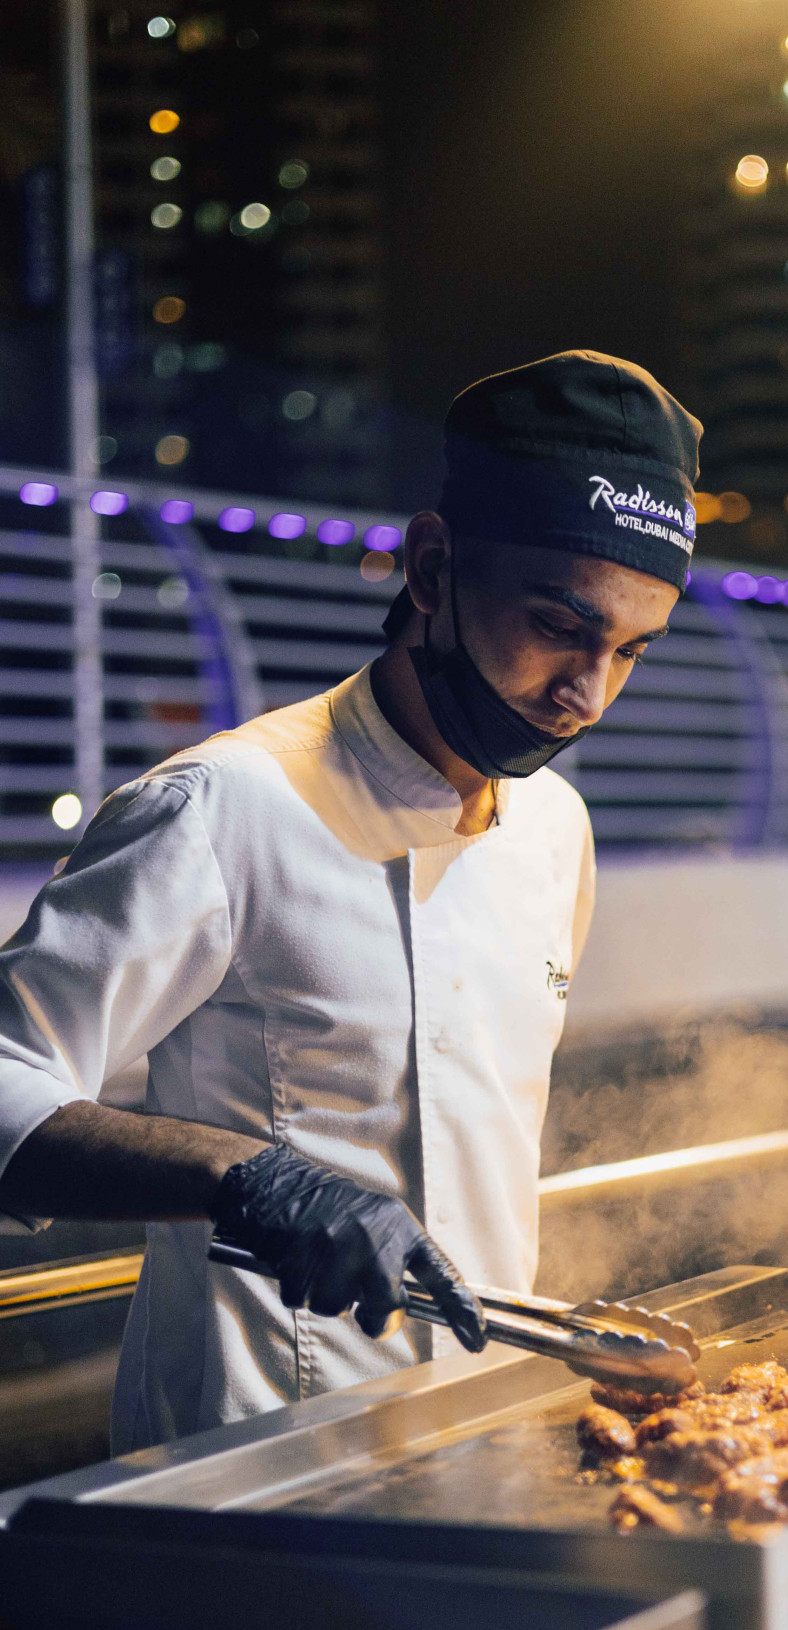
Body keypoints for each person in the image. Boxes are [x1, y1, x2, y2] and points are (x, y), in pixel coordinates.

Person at [0, 350, 701, 1449]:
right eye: (559, 628)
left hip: (478, 1435)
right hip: (243, 1459)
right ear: (430, 568)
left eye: (629, 652)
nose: (584, 697)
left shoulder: (556, 829)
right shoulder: (223, 807)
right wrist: (240, 1177)